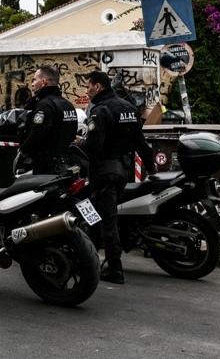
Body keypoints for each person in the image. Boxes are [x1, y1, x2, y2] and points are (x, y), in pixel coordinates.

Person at [76, 70, 156, 285]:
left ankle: (115, 268)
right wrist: (151, 167)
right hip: (123, 171)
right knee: (96, 214)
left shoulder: (100, 111)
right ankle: (87, 258)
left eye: (88, 87)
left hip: (104, 172)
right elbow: (141, 142)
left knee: (106, 220)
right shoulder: (129, 108)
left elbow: (93, 146)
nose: (87, 91)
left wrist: (79, 143)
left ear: (98, 87)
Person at [17, 65, 78, 175]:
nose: (32, 84)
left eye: (35, 80)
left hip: (47, 169)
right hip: (66, 165)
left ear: (43, 82)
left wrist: (23, 152)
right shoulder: (67, 104)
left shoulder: (44, 105)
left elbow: (38, 133)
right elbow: (73, 133)